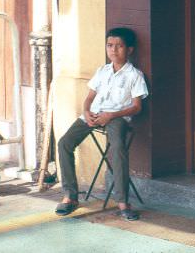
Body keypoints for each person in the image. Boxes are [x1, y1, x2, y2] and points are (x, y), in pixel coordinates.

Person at [55, 27, 148, 221]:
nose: (113, 50)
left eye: (119, 46)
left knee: (118, 150)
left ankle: (123, 202)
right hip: (94, 115)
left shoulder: (134, 75)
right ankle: (70, 196)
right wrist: (86, 111)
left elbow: (137, 107)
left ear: (129, 49)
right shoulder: (102, 71)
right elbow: (89, 97)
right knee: (64, 143)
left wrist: (112, 115)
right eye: (110, 45)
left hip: (117, 117)